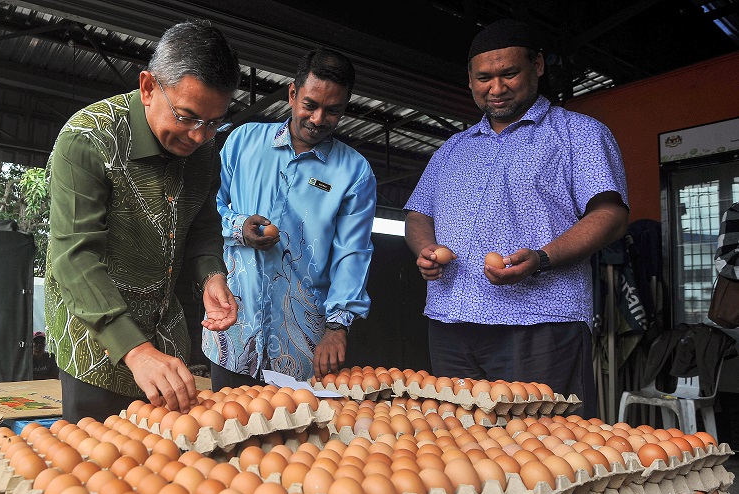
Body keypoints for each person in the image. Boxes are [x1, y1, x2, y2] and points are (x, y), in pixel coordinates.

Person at [403, 19, 629, 418]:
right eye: (484, 78)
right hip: (452, 323)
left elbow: (609, 214)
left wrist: (541, 258)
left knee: (546, 449)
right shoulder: (453, 149)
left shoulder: (579, 134)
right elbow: (419, 212)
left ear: (537, 65)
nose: (496, 87)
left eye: (509, 73)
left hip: (539, 325)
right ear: (470, 81)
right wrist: (426, 248)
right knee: (461, 447)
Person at [45, 20, 240, 422]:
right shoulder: (88, 140)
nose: (199, 136)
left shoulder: (203, 150)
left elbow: (203, 227)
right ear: (149, 87)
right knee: (97, 467)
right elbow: (75, 258)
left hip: (165, 339)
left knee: (167, 468)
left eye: (214, 122)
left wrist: (211, 276)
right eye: (187, 117)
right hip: (96, 342)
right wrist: (134, 350)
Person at [202, 48, 377, 389]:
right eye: (310, 105)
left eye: (333, 110)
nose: (318, 119)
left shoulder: (354, 172)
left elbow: (352, 254)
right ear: (293, 93)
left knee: (296, 441)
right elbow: (207, 211)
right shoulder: (242, 142)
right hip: (232, 334)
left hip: (302, 350)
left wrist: (337, 328)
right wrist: (239, 228)